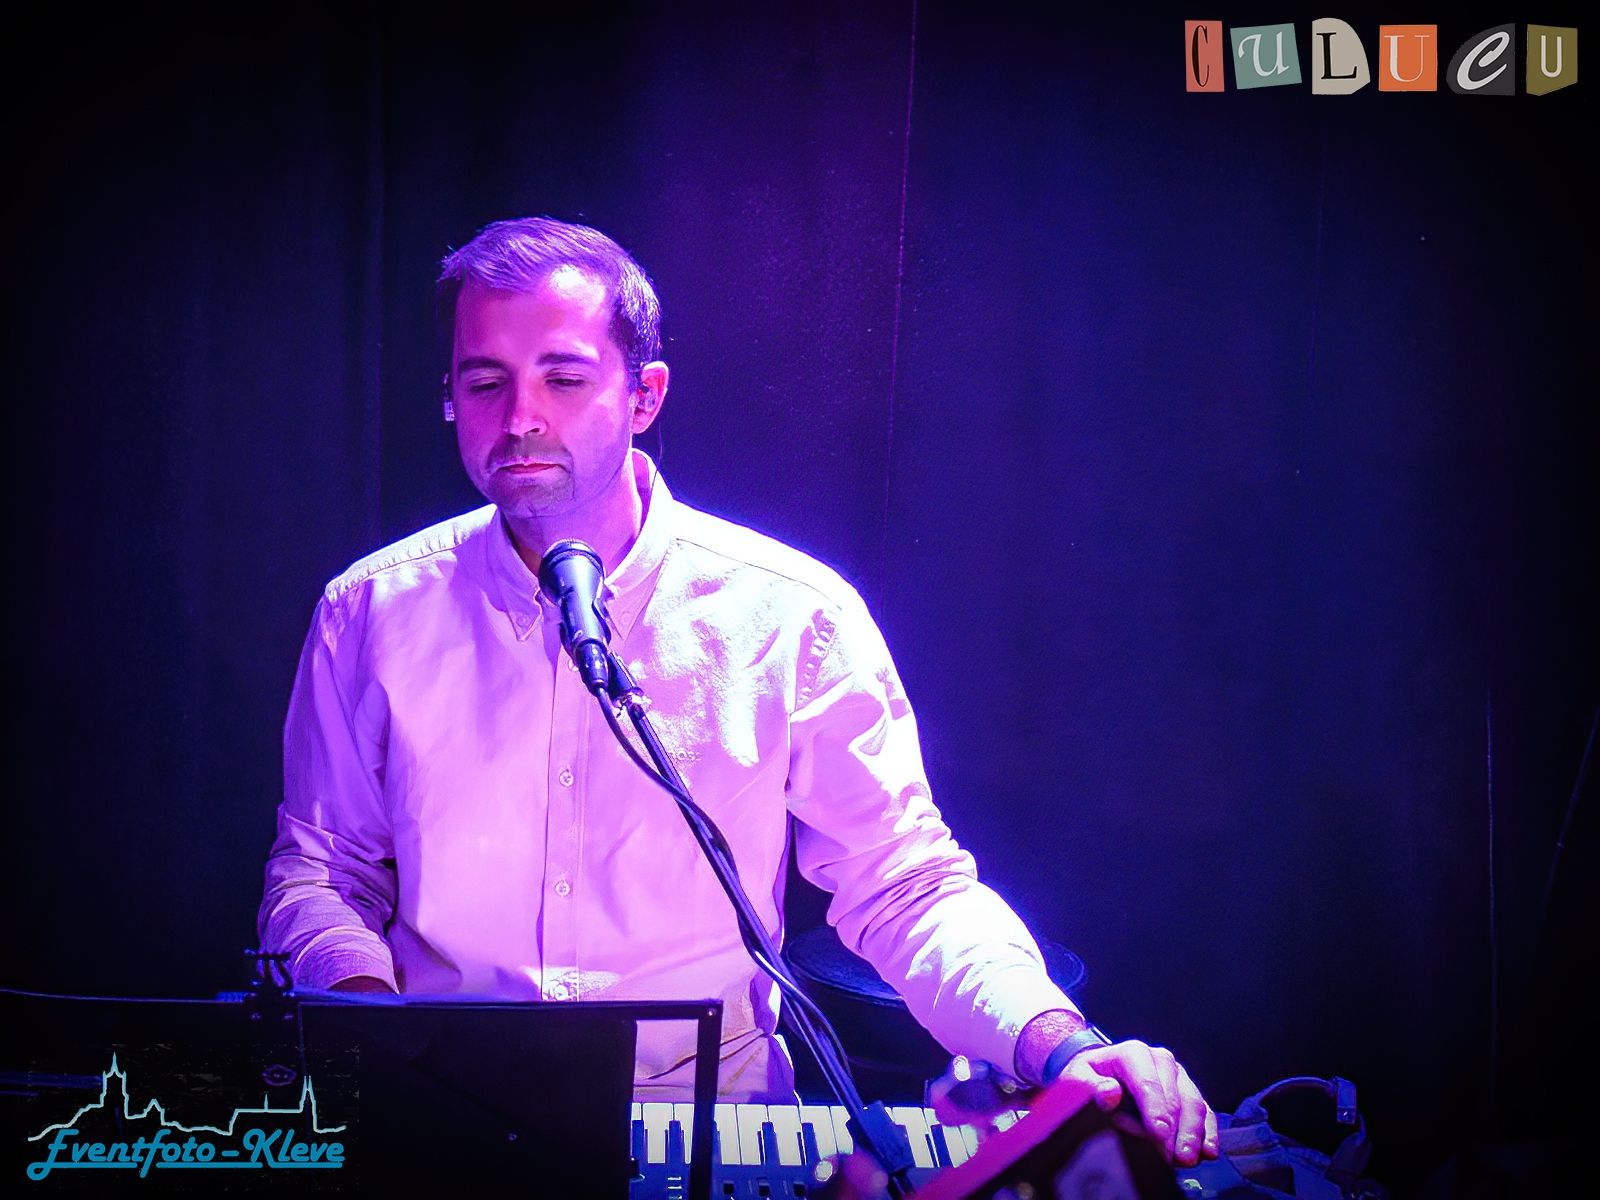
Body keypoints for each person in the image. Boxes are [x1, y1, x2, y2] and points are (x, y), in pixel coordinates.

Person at [257, 216, 1218, 1168]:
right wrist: (372, 1032)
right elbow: (322, 873)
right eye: (484, 383)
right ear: (450, 399)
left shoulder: (790, 614)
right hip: (439, 1111)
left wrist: (1060, 1044)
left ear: (645, 395)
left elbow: (904, 883)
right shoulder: (369, 612)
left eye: (564, 378)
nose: (520, 418)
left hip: (709, 1117)